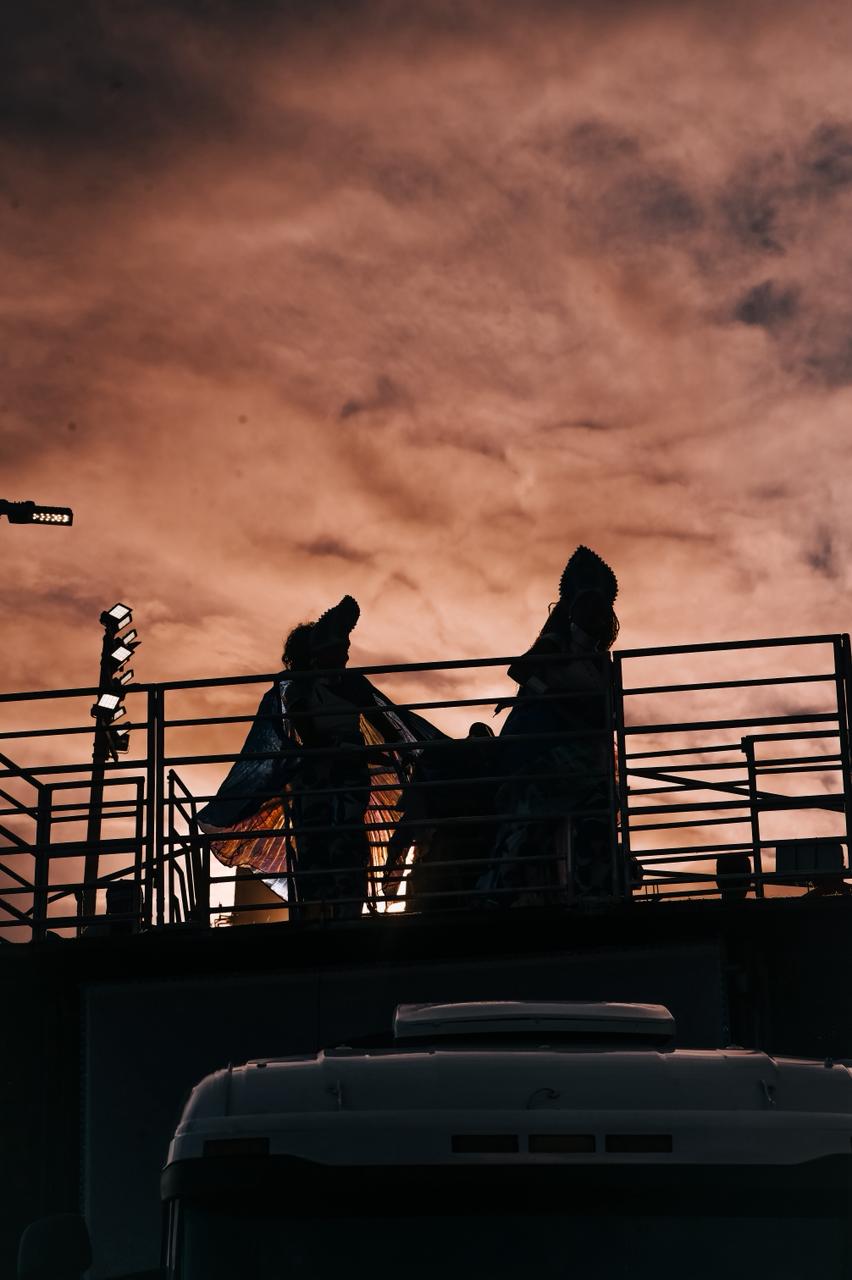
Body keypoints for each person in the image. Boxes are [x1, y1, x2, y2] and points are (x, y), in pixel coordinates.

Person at [198, 596, 444, 921]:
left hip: (346, 776)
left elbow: (387, 726)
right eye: (338, 649)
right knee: (318, 848)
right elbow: (308, 736)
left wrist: (396, 753)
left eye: (345, 649)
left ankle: (342, 914)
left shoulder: (350, 684)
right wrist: (348, 749)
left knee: (346, 847)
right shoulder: (298, 690)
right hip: (318, 778)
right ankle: (318, 916)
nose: (345, 656)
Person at [477, 545, 620, 907]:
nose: (596, 614)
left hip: (588, 754)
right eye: (589, 606)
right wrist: (552, 697)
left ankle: (591, 890)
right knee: (529, 824)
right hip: (549, 753)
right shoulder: (557, 643)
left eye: (600, 608)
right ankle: (505, 893)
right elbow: (519, 670)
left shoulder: (602, 663)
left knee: (593, 822)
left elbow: (610, 714)